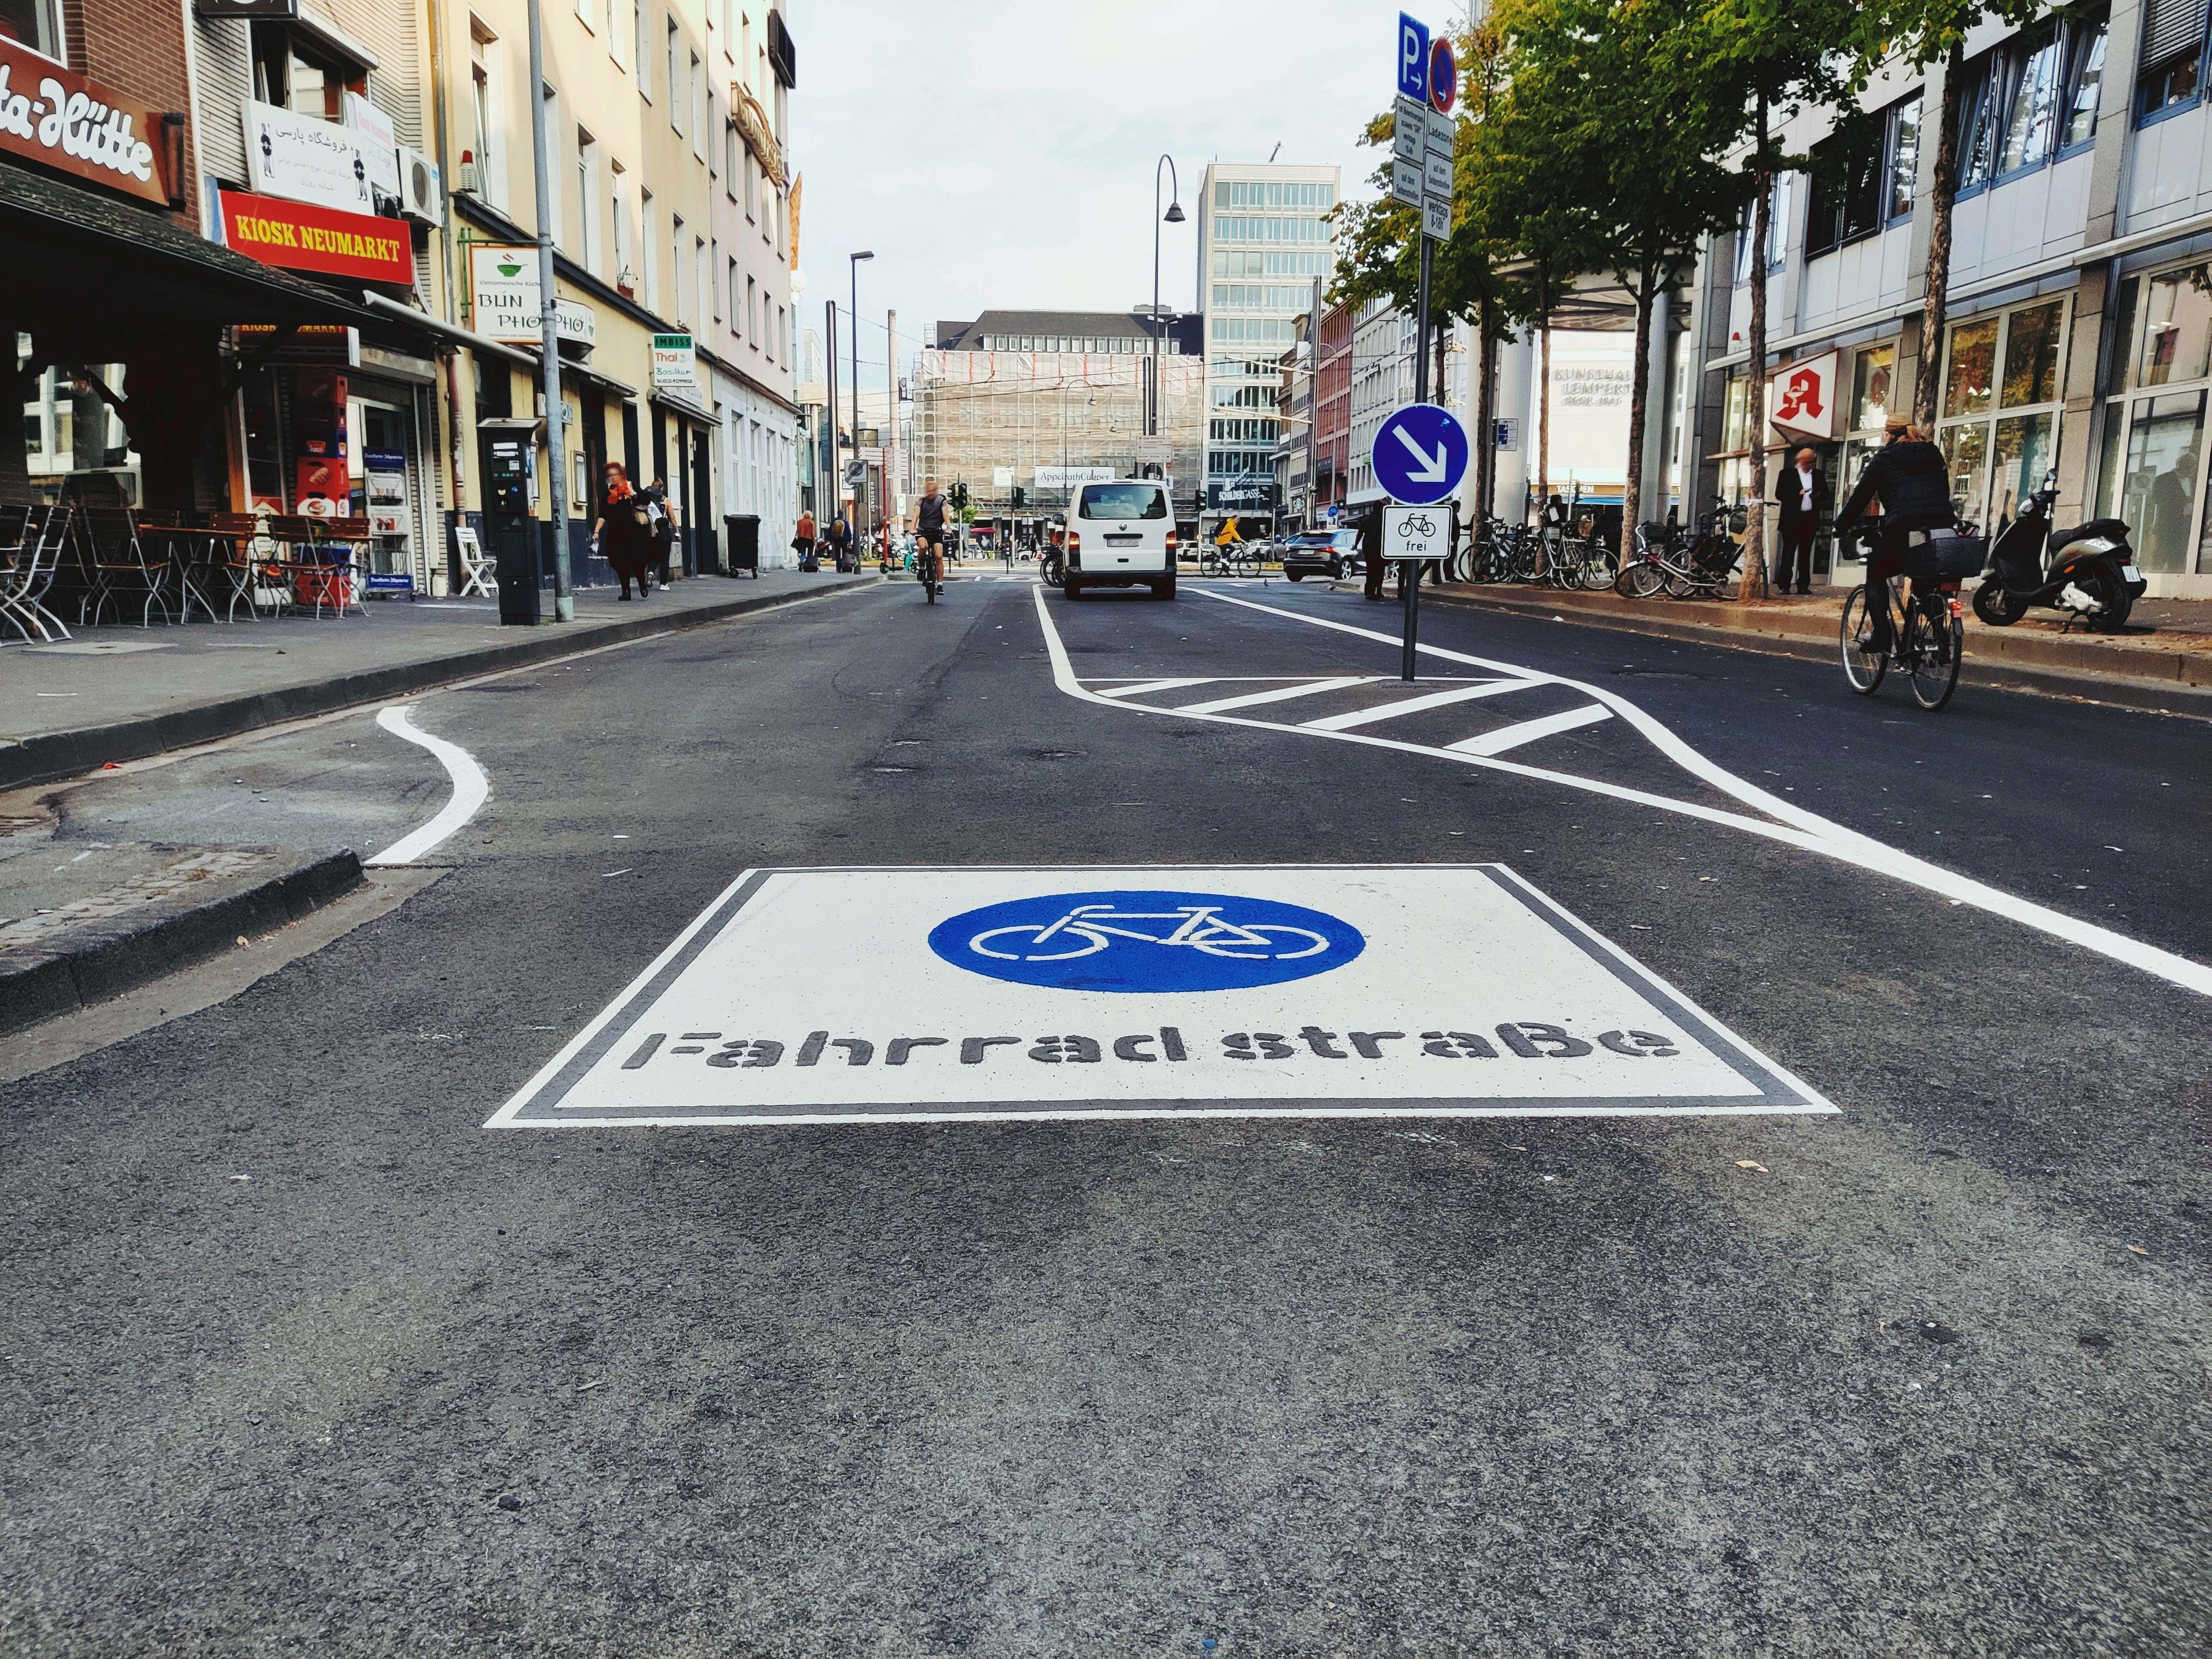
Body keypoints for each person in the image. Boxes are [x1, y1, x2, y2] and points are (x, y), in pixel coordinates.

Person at [1832, 418, 1953, 657]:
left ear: (1889, 434)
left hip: (1904, 524)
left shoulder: (1884, 458)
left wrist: (1840, 526)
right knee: (1925, 578)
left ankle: (1882, 636)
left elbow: (1860, 498)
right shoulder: (1934, 454)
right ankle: (1941, 639)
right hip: (1941, 524)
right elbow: (1945, 492)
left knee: (1876, 571)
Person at [590, 462, 655, 600]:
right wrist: (596, 532)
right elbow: (603, 515)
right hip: (616, 534)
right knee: (619, 562)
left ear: (622, 475)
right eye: (610, 475)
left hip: (634, 533)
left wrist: (633, 494)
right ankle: (626, 591)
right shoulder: (607, 493)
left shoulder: (632, 487)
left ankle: (642, 585)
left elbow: (647, 500)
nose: (613, 478)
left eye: (616, 475)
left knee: (637, 561)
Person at [1772, 446, 1829, 596]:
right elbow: (1780, 494)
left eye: (1811, 462)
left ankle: (1803, 585)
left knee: (1805, 555)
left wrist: (1816, 495)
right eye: (1806, 462)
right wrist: (1798, 494)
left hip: (1808, 519)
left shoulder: (1818, 475)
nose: (1808, 466)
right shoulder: (1787, 474)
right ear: (1799, 461)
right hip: (1791, 520)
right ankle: (1784, 585)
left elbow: (1825, 494)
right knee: (1788, 553)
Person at [915, 477, 950, 591]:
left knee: (939, 557)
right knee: (922, 547)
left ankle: (940, 584)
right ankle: (921, 567)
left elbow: (945, 514)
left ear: (936, 491)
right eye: (928, 491)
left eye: (933, 491)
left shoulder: (941, 501)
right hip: (923, 531)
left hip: (936, 532)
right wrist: (912, 528)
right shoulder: (921, 501)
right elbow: (916, 514)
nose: (930, 493)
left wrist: (949, 528)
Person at [641, 477, 676, 584]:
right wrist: (677, 530)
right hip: (664, 531)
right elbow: (672, 517)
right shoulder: (665, 500)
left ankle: (650, 573)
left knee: (653, 555)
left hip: (651, 531)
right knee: (665, 558)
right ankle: (664, 584)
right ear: (661, 489)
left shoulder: (647, 500)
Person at [792, 508, 818, 572]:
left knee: (802, 551)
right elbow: (812, 532)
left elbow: (798, 531)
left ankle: (802, 561)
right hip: (809, 539)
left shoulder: (800, 522)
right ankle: (808, 564)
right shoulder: (811, 522)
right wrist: (814, 539)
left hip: (801, 538)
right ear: (810, 515)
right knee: (810, 552)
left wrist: (797, 537)